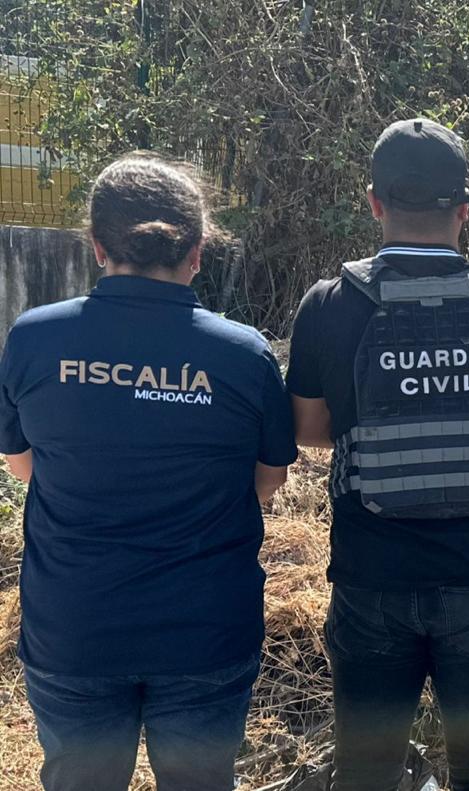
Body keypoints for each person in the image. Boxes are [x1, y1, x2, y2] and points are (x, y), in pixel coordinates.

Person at [0, 153, 297, 791]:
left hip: (74, 630)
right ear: (197, 252)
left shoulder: (34, 338)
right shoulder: (243, 355)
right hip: (205, 632)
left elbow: (24, 465)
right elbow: (268, 479)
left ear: (96, 245)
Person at [287, 118, 469, 791]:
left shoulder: (329, 303)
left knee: (366, 776)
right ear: (463, 209)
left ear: (374, 203)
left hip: (372, 583)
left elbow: (309, 428)